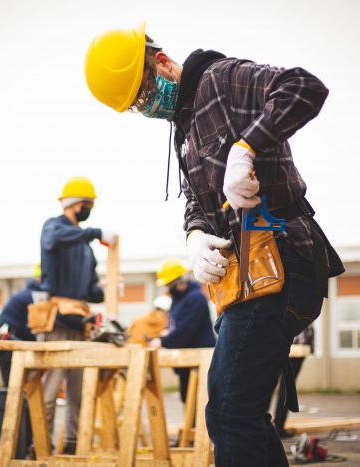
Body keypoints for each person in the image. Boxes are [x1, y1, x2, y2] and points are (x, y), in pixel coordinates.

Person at [85, 24, 344, 466]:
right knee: (236, 411)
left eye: (145, 93)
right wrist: (195, 235)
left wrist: (246, 148)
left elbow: (304, 87)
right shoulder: (184, 130)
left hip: (283, 258)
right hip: (246, 277)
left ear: (162, 60)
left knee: (228, 411)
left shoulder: (221, 80)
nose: (147, 107)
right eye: (137, 106)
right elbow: (196, 201)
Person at [39, 176, 116, 454]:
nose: (90, 210)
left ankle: (72, 445)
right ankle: (41, 448)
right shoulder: (54, 227)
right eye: (88, 205)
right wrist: (95, 232)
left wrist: (106, 288)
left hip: (79, 322)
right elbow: (56, 238)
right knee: (49, 391)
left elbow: (90, 291)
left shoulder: (85, 248)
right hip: (57, 319)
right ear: (75, 204)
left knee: (78, 391)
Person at [149, 258, 216, 404]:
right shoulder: (178, 300)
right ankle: (190, 427)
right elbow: (175, 324)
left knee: (200, 404)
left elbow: (186, 331)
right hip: (187, 362)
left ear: (179, 283)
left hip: (200, 361)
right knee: (188, 400)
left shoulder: (196, 299)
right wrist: (166, 332)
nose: (167, 289)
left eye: (168, 285)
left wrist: (163, 341)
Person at [0, 265, 41, 386]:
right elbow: (32, 326)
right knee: (13, 382)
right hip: (7, 339)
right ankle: (12, 402)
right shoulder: (32, 296)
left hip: (6, 337)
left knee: (14, 380)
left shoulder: (27, 292)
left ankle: (14, 400)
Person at [273, 326, 313, 438]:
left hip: (280, 345)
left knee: (270, 385)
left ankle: (265, 425)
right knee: (286, 388)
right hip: (296, 347)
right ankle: (278, 427)